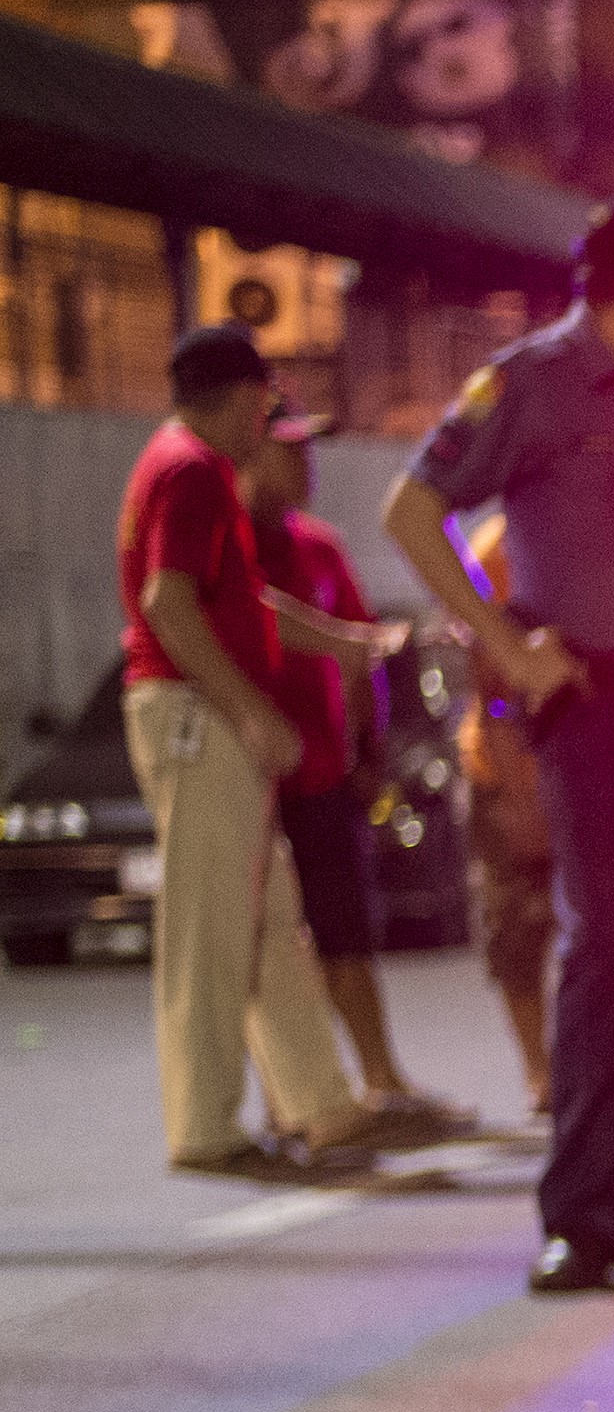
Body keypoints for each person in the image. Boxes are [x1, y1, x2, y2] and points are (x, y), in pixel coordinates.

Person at [382, 190, 614, 1296]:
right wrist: (504, 641)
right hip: (591, 708)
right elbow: (415, 511)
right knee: (608, 957)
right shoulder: (532, 385)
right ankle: (582, 1213)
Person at [116, 323, 402, 1183]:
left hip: (198, 713)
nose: (267, 428)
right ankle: (206, 1126)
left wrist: (339, 641)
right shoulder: (194, 471)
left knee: (267, 921)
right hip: (198, 716)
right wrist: (251, 713)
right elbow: (170, 606)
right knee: (211, 930)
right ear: (245, 397)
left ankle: (320, 1102)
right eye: (265, 405)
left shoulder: (181, 466)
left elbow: (240, 604)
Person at [240, 395, 470, 1145]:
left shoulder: (320, 547)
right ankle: (291, 1097)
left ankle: (382, 1080)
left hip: (327, 773)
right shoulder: (234, 547)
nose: (303, 464)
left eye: (309, 448)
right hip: (258, 776)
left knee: (347, 932)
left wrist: (368, 751)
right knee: (271, 942)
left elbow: (366, 654)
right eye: (289, 449)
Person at [453, 515, 559, 1119]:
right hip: (508, 768)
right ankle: (539, 1073)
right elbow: (488, 681)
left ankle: (580, 1066)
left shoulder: (592, 527)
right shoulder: (500, 548)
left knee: (591, 934)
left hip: (578, 767)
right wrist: (518, 792)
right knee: (516, 930)